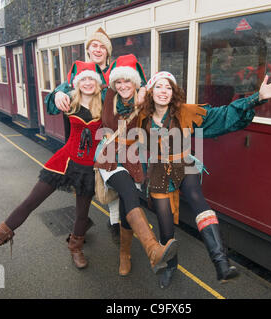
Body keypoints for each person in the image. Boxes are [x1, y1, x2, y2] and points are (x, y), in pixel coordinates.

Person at [138, 71, 271, 288]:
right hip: (158, 171)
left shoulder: (186, 112)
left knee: (196, 198)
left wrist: (257, 98)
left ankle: (221, 264)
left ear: (173, 93)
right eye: (159, 87)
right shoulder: (142, 117)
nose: (164, 91)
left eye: (169, 87)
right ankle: (171, 266)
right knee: (165, 226)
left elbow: (223, 115)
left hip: (183, 163)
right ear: (151, 91)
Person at [0, 61, 106, 269]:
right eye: (83, 79)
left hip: (88, 167)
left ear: (98, 83)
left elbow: (125, 97)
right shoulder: (69, 99)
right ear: (77, 83)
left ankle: (76, 248)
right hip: (64, 161)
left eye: (91, 79)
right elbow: (50, 103)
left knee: (82, 214)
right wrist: (57, 92)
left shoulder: (104, 103)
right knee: (31, 201)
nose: (87, 83)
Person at [53, 54, 178, 276]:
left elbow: (163, 96)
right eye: (118, 81)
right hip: (109, 155)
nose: (122, 86)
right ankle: (152, 249)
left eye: (127, 81)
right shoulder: (106, 94)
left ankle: (125, 254)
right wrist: (59, 93)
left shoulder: (145, 98)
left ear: (136, 82)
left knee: (126, 205)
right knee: (128, 191)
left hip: (133, 158)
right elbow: (81, 81)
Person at [45, 27, 121, 243]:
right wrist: (58, 93)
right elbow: (55, 99)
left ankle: (115, 224)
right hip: (81, 146)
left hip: (109, 140)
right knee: (84, 190)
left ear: (108, 51)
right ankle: (80, 229)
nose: (98, 50)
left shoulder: (115, 74)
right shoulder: (79, 73)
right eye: (93, 46)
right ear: (88, 50)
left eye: (102, 46)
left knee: (114, 182)